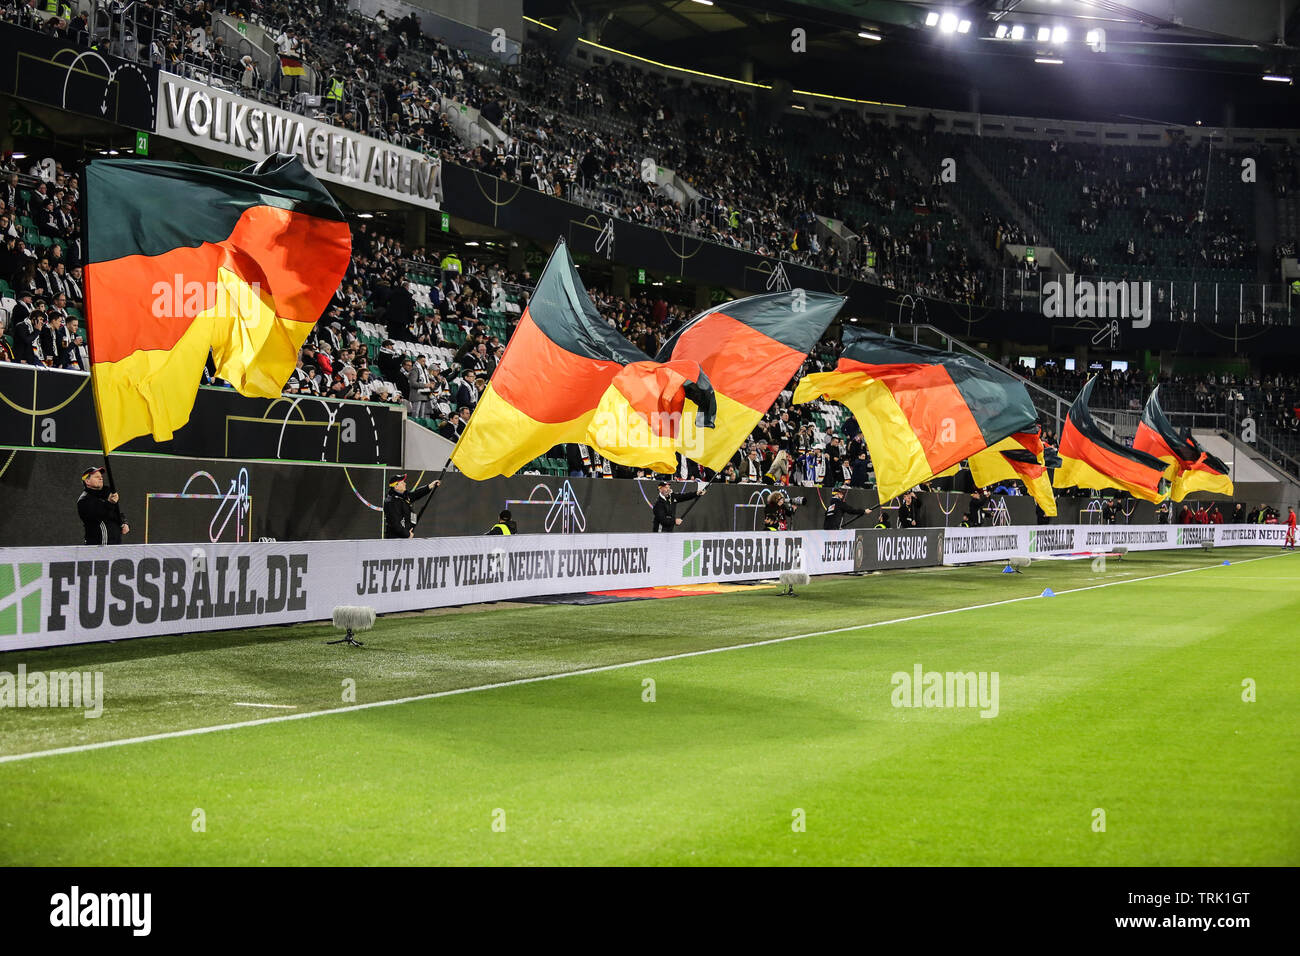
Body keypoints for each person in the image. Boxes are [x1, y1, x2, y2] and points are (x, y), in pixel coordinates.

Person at [77, 465, 128, 545]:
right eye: (96, 477)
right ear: (87, 481)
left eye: (101, 476)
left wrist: (124, 522)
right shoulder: (84, 500)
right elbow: (97, 516)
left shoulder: (107, 493)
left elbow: (116, 512)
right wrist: (109, 503)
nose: (101, 478)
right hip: (99, 547)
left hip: (116, 545)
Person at [383, 473, 439, 539]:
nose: (405, 484)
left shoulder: (403, 496)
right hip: (396, 540)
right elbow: (395, 524)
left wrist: (429, 486)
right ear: (396, 486)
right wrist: (407, 534)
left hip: (404, 537)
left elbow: (415, 494)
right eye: (402, 482)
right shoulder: (391, 502)